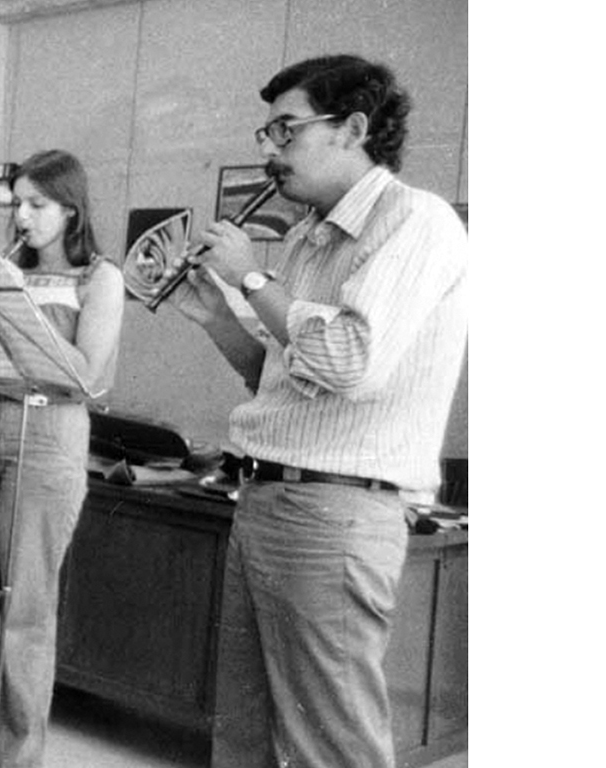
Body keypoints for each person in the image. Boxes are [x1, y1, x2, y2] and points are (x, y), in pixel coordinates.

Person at [164, 55, 467, 768]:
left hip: (336, 513)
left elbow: (348, 363)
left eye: (285, 130)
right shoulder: (306, 235)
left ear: (353, 128)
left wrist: (250, 274)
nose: (269, 151)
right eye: (266, 132)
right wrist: (218, 318)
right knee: (243, 735)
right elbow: (277, 378)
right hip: (268, 499)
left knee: (330, 746)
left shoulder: (415, 221)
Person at [0, 149, 124, 768]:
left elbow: (92, 380)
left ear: (71, 210)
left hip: (49, 432)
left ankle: (16, 761)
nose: (23, 216)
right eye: (17, 203)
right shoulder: (3, 268)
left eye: (37, 205)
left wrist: (24, 324)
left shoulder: (100, 277)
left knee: (25, 614)